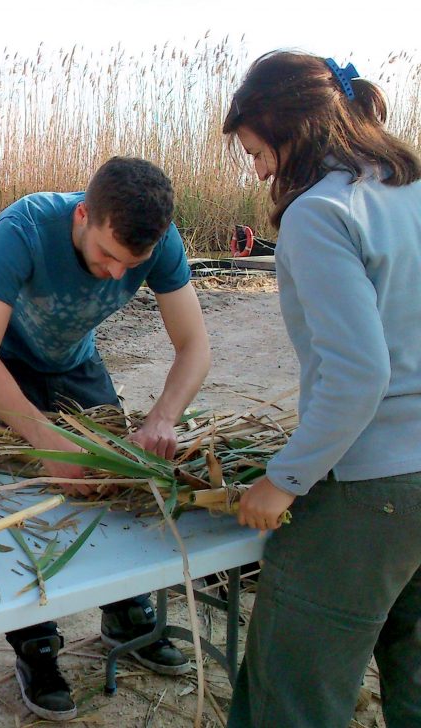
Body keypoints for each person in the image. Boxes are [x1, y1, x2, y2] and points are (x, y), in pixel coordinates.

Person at [0, 156, 211, 721]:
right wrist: (46, 439)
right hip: (2, 361)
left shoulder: (162, 244)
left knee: (115, 477)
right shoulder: (22, 230)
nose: (116, 274)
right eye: (106, 256)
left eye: (132, 264)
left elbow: (195, 345)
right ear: (82, 217)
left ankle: (126, 611)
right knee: (22, 497)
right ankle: (36, 644)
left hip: (74, 358)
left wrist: (164, 416)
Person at [222, 51, 421, 728]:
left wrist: (284, 480)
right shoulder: (412, 188)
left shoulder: (320, 212)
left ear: (291, 130)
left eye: (257, 151)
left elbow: (361, 374)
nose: (260, 171)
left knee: (292, 685)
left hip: (374, 488)